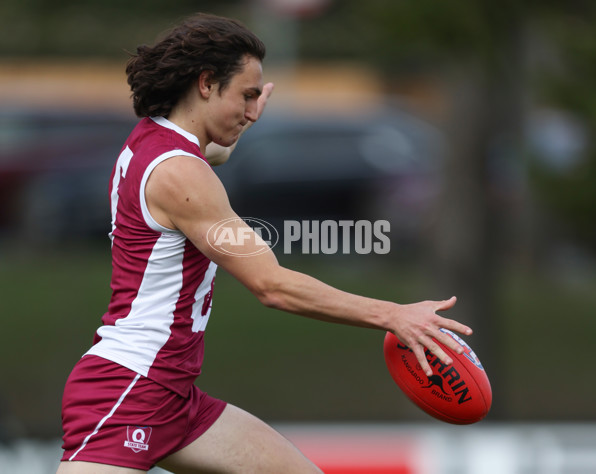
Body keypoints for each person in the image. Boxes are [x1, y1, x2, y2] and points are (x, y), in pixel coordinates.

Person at [57, 12, 473, 474]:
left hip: (173, 397)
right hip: (129, 388)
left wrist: (240, 116)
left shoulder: (155, 140)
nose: (254, 111)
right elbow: (272, 286)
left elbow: (215, 150)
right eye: (247, 96)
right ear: (206, 83)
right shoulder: (181, 174)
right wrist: (393, 315)